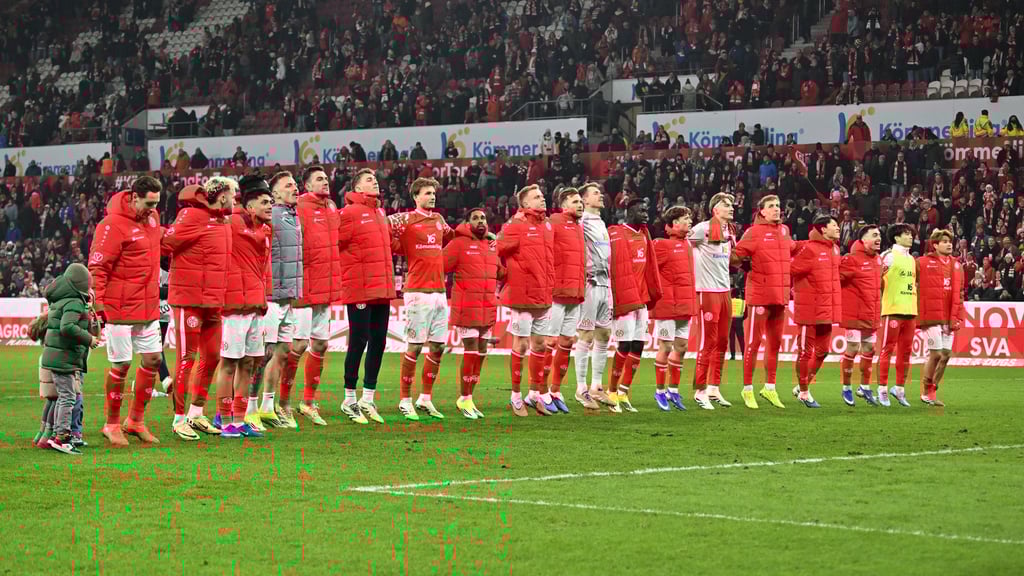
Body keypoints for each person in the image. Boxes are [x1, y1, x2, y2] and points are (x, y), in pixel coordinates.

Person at [88, 176, 164, 445]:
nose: (152, 209)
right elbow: (98, 268)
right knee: (121, 365)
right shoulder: (111, 224)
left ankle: (135, 421)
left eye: (156, 203)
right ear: (133, 197)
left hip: (148, 306)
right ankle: (111, 424)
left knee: (153, 359)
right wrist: (98, 306)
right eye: (148, 203)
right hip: (119, 307)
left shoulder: (153, 221)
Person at [162, 179, 234, 440]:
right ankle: (179, 419)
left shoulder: (223, 222)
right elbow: (166, 242)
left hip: (214, 302)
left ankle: (196, 412)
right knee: (186, 358)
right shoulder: (192, 215)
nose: (235, 200)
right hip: (189, 300)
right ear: (222, 196)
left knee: (213, 357)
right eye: (233, 195)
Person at [390, 177, 454, 420]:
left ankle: (425, 398)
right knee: (415, 347)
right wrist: (399, 247)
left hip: (439, 292)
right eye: (427, 193)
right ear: (416, 197)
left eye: (433, 193)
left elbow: (452, 236)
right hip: (417, 291)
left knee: (438, 346)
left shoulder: (438, 220)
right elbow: (384, 231)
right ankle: (405, 400)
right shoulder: (405, 219)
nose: (432, 196)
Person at [215, 175, 272, 438]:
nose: (270, 205)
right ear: (249, 206)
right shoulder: (232, 222)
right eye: (264, 201)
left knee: (249, 363)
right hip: (234, 306)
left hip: (256, 305)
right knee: (229, 363)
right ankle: (224, 419)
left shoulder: (265, 230)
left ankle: (239, 418)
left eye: (270, 201)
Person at [338, 168, 397, 424]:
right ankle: (349, 398)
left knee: (379, 341)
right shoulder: (349, 213)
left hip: (381, 288)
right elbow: (335, 244)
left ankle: (368, 398)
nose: (375, 182)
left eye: (375, 179)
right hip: (360, 287)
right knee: (359, 340)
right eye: (369, 179)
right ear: (357, 187)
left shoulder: (380, 212)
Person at [289, 165, 343, 426]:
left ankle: (308, 402)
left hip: (326, 288)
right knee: (297, 346)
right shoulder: (298, 207)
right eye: (319, 179)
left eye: (326, 178)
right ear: (307, 186)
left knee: (320, 345)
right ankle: (281, 403)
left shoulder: (331, 207)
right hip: (304, 288)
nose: (325, 182)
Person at [731, 194, 796, 410]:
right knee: (753, 343)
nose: (777, 209)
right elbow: (735, 256)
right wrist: (747, 268)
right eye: (772, 206)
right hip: (759, 295)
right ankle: (747, 388)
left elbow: (793, 249)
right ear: (762, 212)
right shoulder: (753, 232)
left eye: (778, 205)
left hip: (780, 296)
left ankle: (770, 387)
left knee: (775, 345)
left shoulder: (785, 231)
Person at [497, 184, 555, 416]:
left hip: (544, 294)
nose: (542, 199)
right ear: (525, 204)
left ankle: (534, 394)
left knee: (540, 344)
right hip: (522, 295)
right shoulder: (515, 226)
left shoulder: (548, 226)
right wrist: (505, 276)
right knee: (521, 345)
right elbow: (495, 250)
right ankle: (515, 396)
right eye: (536, 197)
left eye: (542, 195)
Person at [444, 208, 504, 419]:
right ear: (467, 223)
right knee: (471, 349)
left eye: (483, 218)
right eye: (475, 218)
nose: (480, 221)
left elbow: (501, 272)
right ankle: (465, 397)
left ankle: (468, 397)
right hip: (466, 306)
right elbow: (441, 265)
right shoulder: (459, 244)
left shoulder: (490, 246)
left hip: (487, 306)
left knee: (482, 351)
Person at [606, 197, 662, 413]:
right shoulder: (616, 233)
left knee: (639, 345)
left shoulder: (645, 235)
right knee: (624, 345)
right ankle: (611, 392)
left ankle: (624, 391)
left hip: (642, 300)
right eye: (641, 210)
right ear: (629, 212)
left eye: (647, 210)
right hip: (625, 298)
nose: (646, 214)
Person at [257, 171, 303, 429]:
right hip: (271, 295)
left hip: (287, 295)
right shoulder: (272, 216)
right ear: (274, 194)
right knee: (264, 353)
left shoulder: (293, 217)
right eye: (288, 186)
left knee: (283, 352)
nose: (294, 188)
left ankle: (267, 405)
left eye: (295, 184)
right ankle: (248, 407)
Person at [40, 263, 100, 454]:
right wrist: (89, 339)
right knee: (67, 397)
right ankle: (62, 438)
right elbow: (67, 327)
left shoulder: (62, 299)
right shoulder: (74, 301)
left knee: (62, 397)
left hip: (58, 356)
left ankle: (56, 435)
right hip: (64, 357)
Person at [688, 192, 736, 410]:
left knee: (723, 341)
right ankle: (700, 390)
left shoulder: (730, 231)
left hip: (725, 290)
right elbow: (683, 248)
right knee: (708, 341)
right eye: (726, 205)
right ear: (715, 209)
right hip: (706, 291)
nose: (731, 207)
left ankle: (714, 387)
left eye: (731, 204)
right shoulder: (702, 229)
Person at [790, 215, 842, 408]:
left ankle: (802, 385)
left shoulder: (835, 250)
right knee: (805, 352)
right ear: (822, 229)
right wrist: (797, 290)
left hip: (827, 310)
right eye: (834, 225)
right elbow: (791, 270)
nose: (838, 228)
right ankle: (804, 392)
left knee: (823, 351)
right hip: (809, 310)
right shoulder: (810, 249)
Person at [544, 187, 586, 413]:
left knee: (567, 343)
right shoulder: (554, 222)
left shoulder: (578, 226)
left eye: (581, 201)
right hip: (557, 293)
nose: (580, 204)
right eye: (575, 201)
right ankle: (539, 391)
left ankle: (556, 389)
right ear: (563, 205)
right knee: (549, 342)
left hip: (575, 294)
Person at [651, 205, 696, 411]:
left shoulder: (687, 244)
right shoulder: (661, 245)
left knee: (682, 347)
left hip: (685, 304)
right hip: (667, 304)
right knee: (666, 347)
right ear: (674, 223)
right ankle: (659, 391)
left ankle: (674, 390)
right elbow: (649, 270)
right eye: (686, 218)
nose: (690, 221)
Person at [574, 182, 613, 410]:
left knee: (604, 334)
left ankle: (597, 386)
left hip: (606, 283)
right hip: (590, 283)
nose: (601, 195)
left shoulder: (600, 222)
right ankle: (581, 388)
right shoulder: (581, 221)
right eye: (596, 193)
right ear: (585, 200)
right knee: (586, 334)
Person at [917, 229, 965, 406]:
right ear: (935, 245)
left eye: (950, 241)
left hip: (949, 317)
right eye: (944, 241)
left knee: (945, 355)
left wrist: (958, 315)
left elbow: (960, 293)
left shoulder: (957, 265)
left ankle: (932, 391)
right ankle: (924, 391)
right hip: (931, 316)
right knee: (936, 354)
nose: (949, 244)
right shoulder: (922, 262)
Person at [838, 225, 882, 406]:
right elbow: (836, 280)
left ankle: (864, 387)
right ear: (863, 240)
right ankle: (846, 388)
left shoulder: (878, 260)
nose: (878, 238)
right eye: (874, 235)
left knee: (869, 350)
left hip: (871, 313)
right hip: (854, 313)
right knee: (853, 347)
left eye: (879, 235)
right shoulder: (851, 259)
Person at [877, 223, 918, 407]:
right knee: (887, 350)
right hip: (892, 310)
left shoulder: (912, 260)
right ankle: (882, 390)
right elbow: (876, 280)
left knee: (906, 353)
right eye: (907, 234)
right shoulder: (887, 257)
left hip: (910, 311)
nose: (911, 237)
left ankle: (899, 389)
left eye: (911, 234)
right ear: (896, 237)